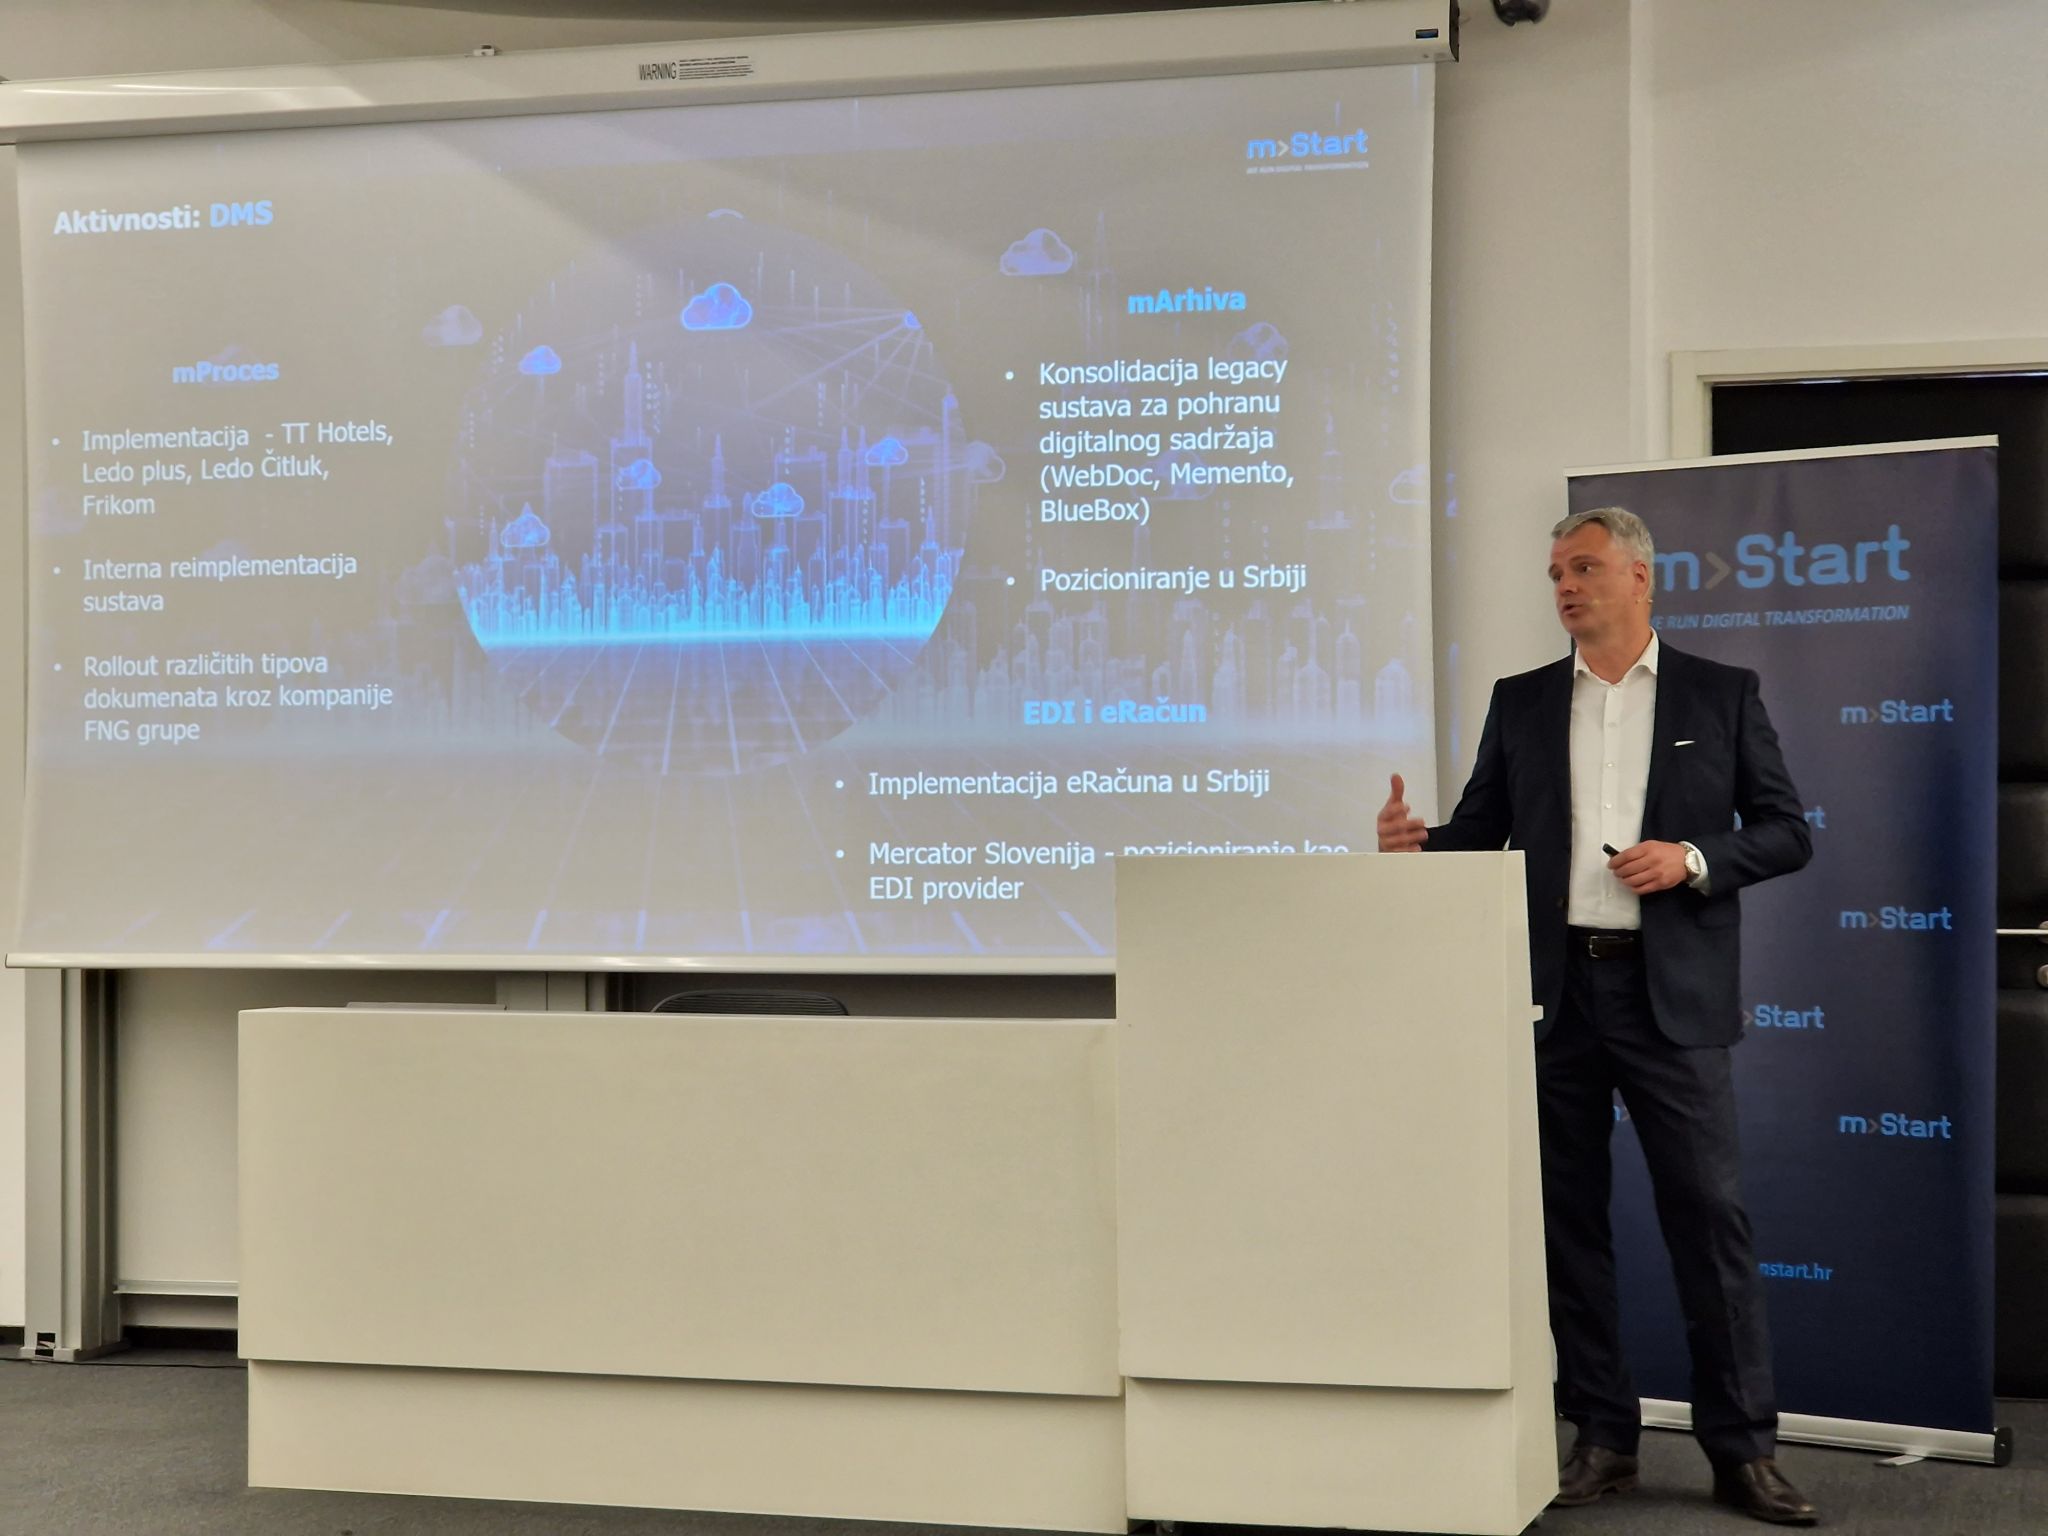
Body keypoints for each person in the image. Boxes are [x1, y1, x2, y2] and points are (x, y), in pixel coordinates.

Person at [1378, 507, 1817, 1526]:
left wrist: (1692, 858)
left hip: (1671, 998)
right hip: (1555, 996)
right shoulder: (1523, 700)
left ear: (1639, 579)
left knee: (1707, 1218)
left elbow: (1786, 831)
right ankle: (1602, 1436)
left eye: (1582, 568)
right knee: (1567, 1222)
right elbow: (1484, 829)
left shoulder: (1720, 692)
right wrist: (1418, 843)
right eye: (1554, 574)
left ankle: (1741, 1451)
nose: (1565, 588)